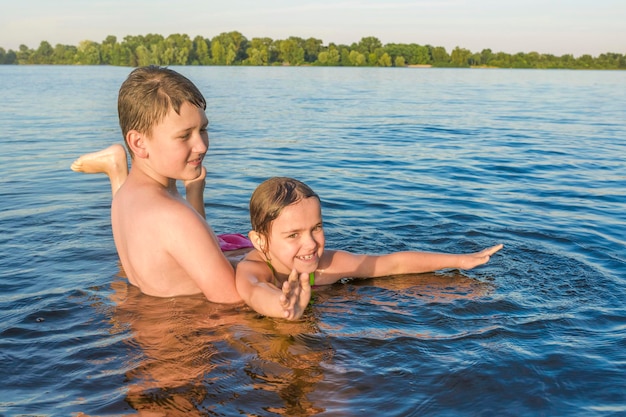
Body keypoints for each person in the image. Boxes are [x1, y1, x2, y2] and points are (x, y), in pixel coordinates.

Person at [71, 66, 252, 304]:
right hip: (178, 330)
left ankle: (115, 166)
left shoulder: (124, 196)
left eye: (203, 129)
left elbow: (187, 247)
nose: (202, 146)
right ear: (138, 143)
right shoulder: (174, 217)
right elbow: (233, 303)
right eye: (184, 136)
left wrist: (194, 191)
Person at [235, 177, 503, 320]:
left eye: (316, 228)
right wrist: (281, 307)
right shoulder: (253, 268)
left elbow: (392, 264)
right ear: (260, 242)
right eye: (293, 234)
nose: (311, 243)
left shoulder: (325, 265)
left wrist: (459, 261)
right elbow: (255, 291)